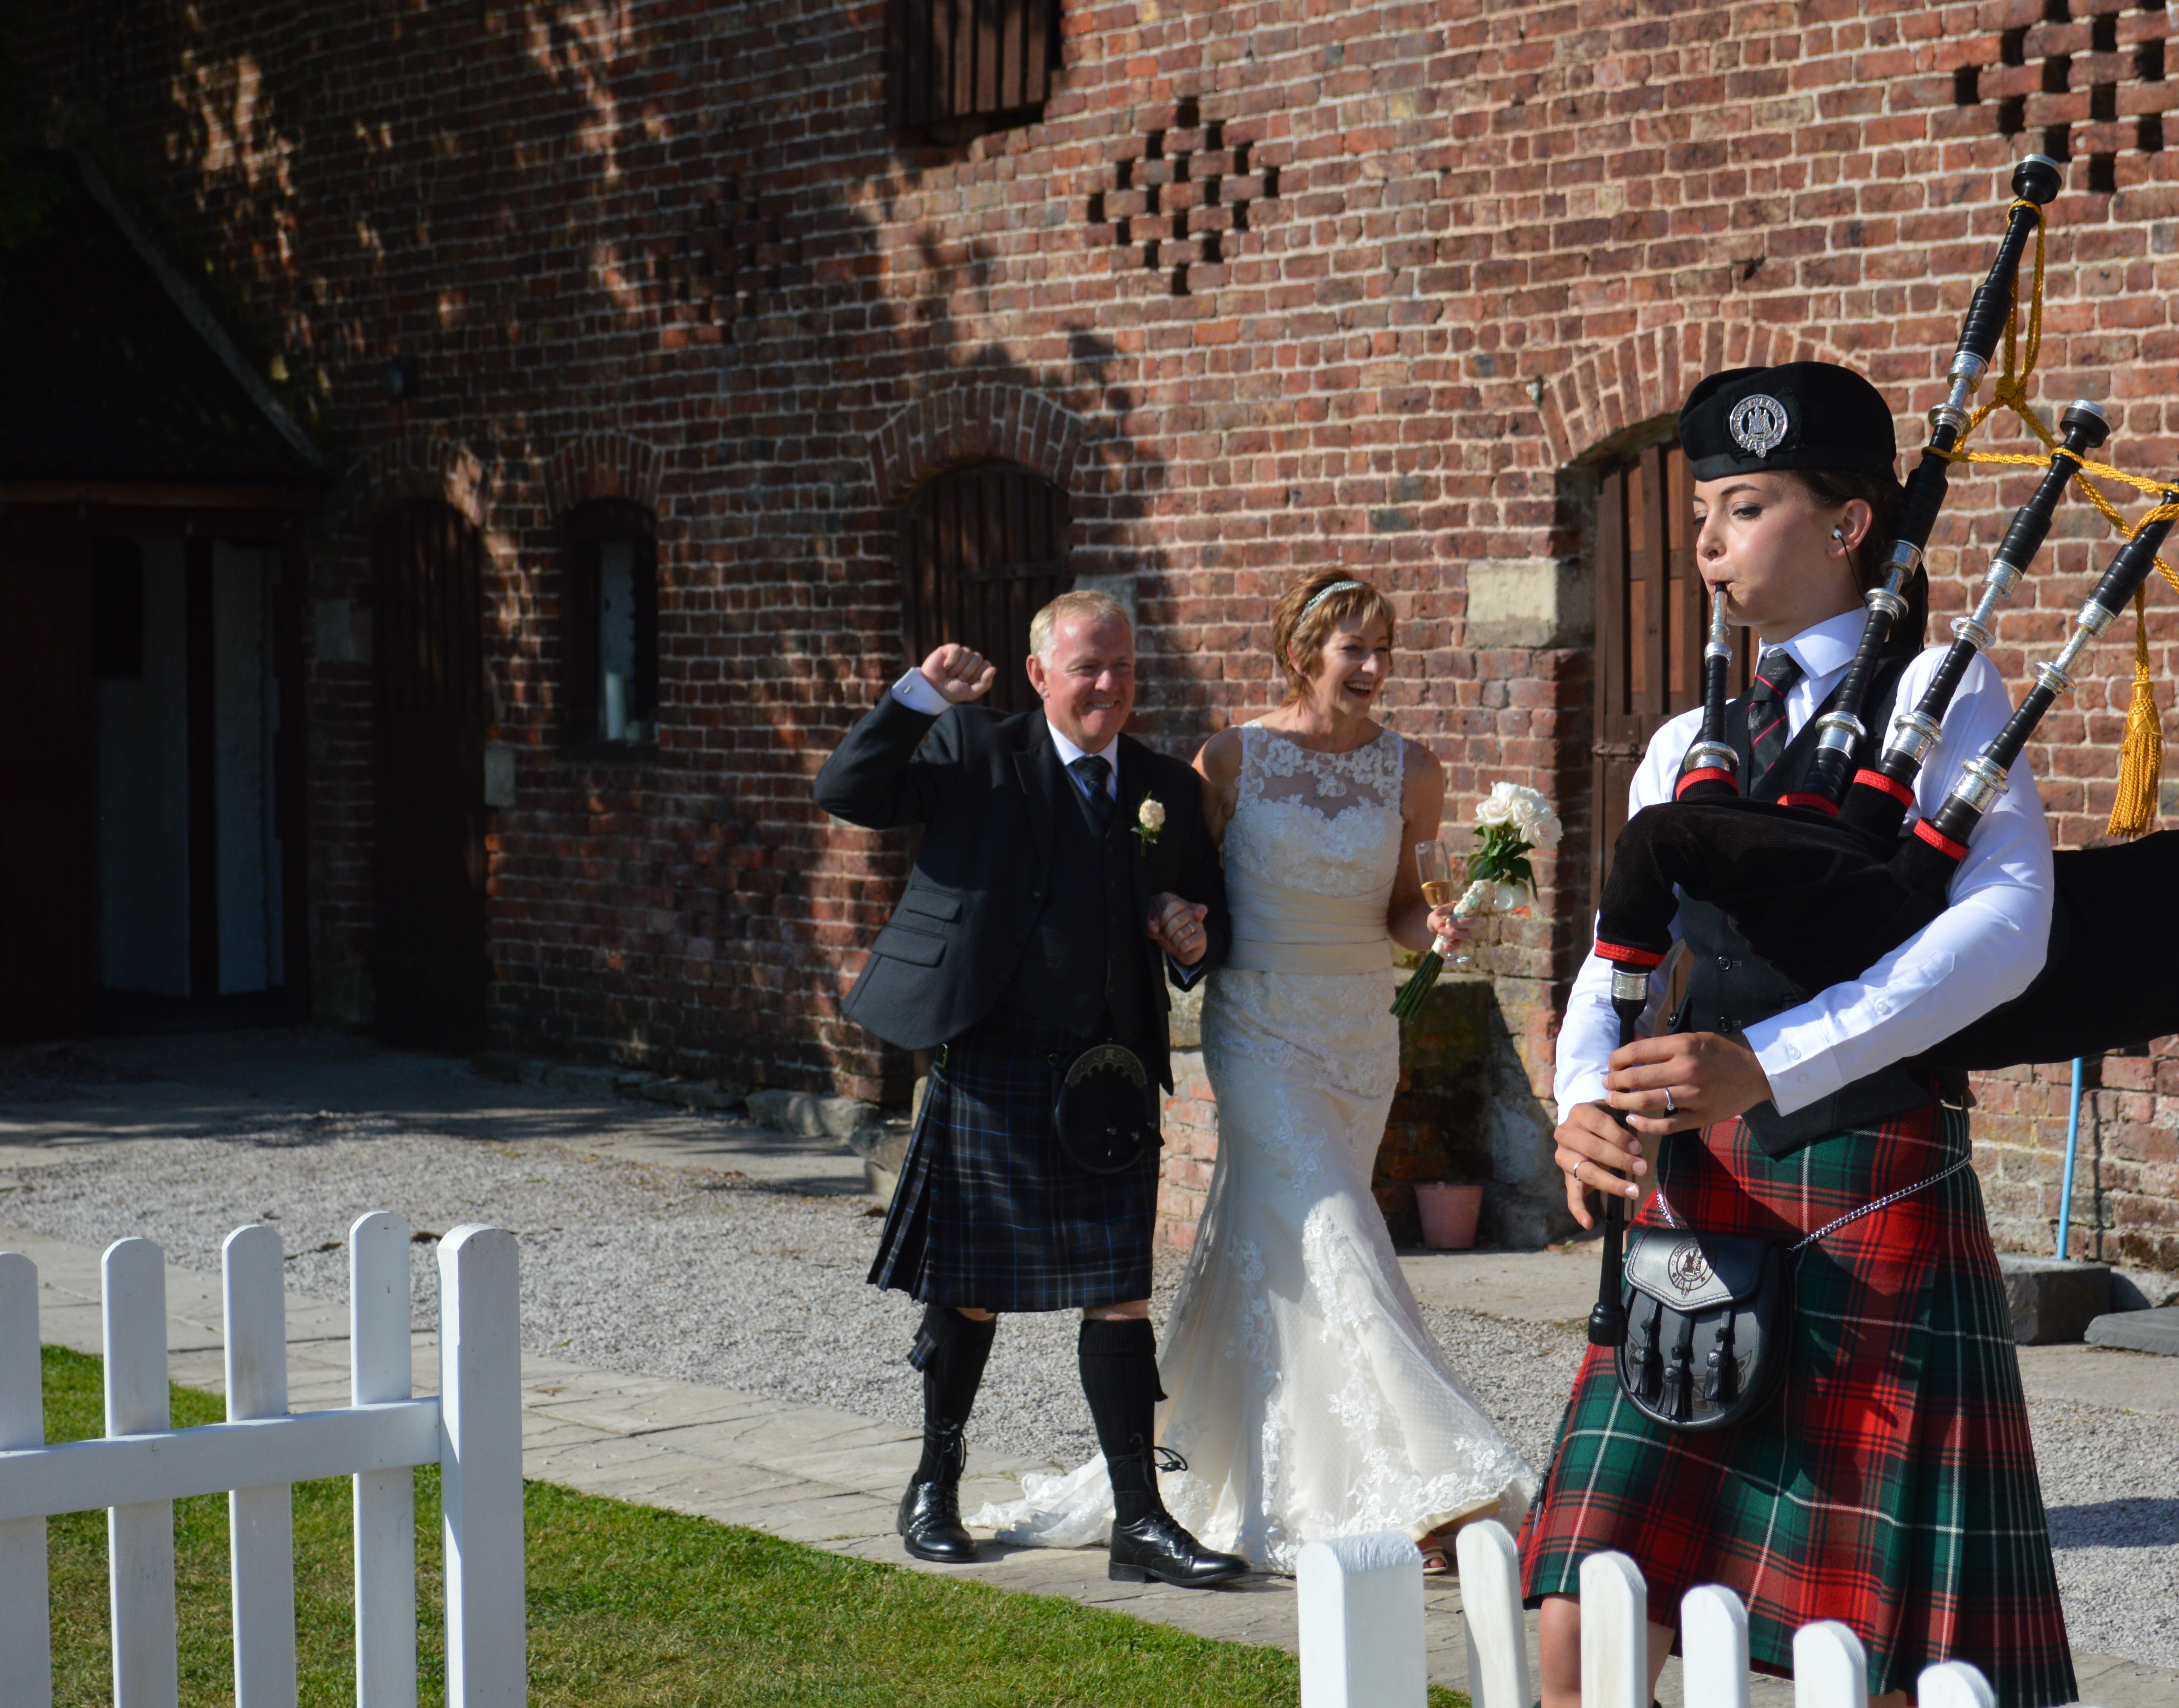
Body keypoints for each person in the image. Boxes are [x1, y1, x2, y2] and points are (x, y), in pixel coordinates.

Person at [1522, 363, 2079, 1708]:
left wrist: (1777, 1057)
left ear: (1847, 527)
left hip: (1862, 1181)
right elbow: (1613, 966)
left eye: (1746, 505)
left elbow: (2009, 927)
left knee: (1878, 1654)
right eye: (1703, 509)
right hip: (1691, 1208)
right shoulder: (1676, 747)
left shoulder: (1944, 699)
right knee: (1579, 1610)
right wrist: (1581, 1097)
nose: (1708, 541)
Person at [974, 570, 1540, 1571]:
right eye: (1352, 647)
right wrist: (1173, 919)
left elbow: (1403, 907)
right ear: (1302, 649)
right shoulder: (1228, 759)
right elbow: (1185, 892)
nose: (1372, 667)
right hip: (1260, 1030)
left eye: (1382, 648)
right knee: (1335, 1228)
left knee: (1286, 1248)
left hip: (1360, 1031)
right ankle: (1436, 1480)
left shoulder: (1415, 770)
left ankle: (1296, 1467)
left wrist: (1440, 926)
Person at [814, 588, 1249, 1589]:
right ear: (1040, 674)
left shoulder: (1161, 786)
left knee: (1120, 1293)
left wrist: (1191, 929)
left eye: (1124, 667)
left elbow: (1207, 912)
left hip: (1111, 1070)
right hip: (994, 1054)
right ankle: (935, 1482)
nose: (1108, 685)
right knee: (967, 1293)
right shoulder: (974, 750)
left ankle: (1139, 1519)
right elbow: (847, 787)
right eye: (1088, 667)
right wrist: (918, 694)